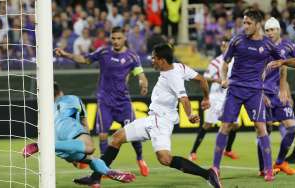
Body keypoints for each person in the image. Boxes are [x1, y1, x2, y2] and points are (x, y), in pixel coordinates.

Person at [73, 43, 222, 188]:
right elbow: (201, 79)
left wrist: (189, 115)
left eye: (154, 58)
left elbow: (183, 98)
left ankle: (207, 174)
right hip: (154, 119)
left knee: (165, 159)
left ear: (162, 60)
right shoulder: (179, 67)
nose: (152, 60)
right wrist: (206, 98)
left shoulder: (173, 77)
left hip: (161, 121)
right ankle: (95, 178)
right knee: (117, 138)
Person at [54, 26, 150, 176]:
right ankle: (104, 168)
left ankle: (140, 158)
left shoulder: (132, 56)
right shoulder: (103, 52)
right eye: (113, 38)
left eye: (119, 38)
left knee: (133, 134)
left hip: (123, 102)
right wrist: (66, 54)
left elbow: (141, 74)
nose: (116, 41)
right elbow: (84, 59)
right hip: (105, 101)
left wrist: (143, 83)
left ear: (124, 38)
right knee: (103, 135)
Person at [213, 9, 284, 182]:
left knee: (261, 128)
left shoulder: (267, 45)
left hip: (255, 92)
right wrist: (224, 79)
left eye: (248, 23)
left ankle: (268, 170)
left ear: (257, 24)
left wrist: (274, 80)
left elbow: (280, 62)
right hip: (235, 90)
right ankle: (215, 167)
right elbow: (225, 63)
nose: (244, 26)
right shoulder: (237, 40)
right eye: (244, 22)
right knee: (225, 127)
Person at [22, 82, 136, 184]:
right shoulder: (72, 98)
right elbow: (84, 121)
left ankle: (108, 172)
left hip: (56, 140)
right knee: (89, 147)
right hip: (68, 127)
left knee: (89, 159)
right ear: (60, 92)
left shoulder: (44, 109)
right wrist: (86, 137)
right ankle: (40, 145)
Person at [189, 37, 239, 161]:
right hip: (216, 96)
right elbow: (205, 78)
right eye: (223, 46)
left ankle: (227, 150)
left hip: (230, 96)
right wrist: (217, 80)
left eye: (226, 45)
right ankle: (193, 152)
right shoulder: (216, 62)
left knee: (235, 124)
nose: (224, 48)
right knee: (208, 124)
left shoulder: (236, 61)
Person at [262, 18, 295, 170]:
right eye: (267, 30)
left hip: (279, 93)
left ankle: (280, 162)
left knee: (293, 128)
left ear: (278, 30)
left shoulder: (288, 45)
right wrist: (260, 93)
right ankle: (263, 168)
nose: (270, 33)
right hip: (263, 93)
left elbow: (287, 65)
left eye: (272, 29)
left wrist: (285, 89)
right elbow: (254, 72)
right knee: (265, 130)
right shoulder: (261, 47)